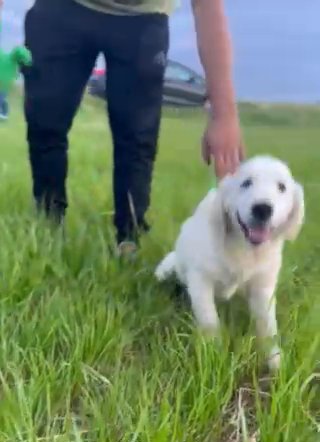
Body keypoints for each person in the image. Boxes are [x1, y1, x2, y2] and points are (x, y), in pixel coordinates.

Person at [23, 0, 244, 256]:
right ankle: (48, 222)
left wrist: (224, 114)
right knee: (44, 121)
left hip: (142, 18)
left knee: (137, 138)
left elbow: (207, 7)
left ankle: (129, 238)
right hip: (63, 9)